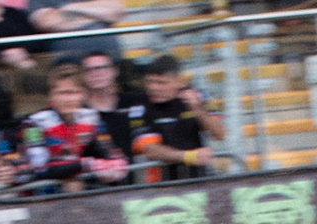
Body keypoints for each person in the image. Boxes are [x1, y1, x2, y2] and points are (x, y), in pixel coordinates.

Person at [21, 64, 127, 193]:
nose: (68, 99)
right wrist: (86, 164)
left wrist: (115, 163)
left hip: (79, 185)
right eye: (62, 93)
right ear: (51, 96)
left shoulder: (91, 117)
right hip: (39, 191)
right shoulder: (33, 123)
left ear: (83, 95)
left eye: (74, 92)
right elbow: (40, 167)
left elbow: (107, 152)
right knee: (73, 181)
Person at [132, 54, 223, 181]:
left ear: (179, 81)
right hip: (161, 185)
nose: (154, 88)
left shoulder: (198, 96)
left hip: (197, 179)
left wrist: (197, 108)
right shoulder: (140, 106)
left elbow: (219, 134)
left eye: (161, 83)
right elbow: (150, 150)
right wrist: (188, 156)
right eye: (150, 82)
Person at [78, 49, 143, 179]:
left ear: (114, 71)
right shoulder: (79, 111)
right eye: (89, 70)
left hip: (138, 179)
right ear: (83, 76)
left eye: (101, 68)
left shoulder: (134, 102)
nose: (96, 73)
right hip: (98, 185)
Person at [26, 0, 121, 60]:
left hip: (109, 60)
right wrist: (95, 13)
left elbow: (115, 12)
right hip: (69, 66)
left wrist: (69, 9)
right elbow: (47, 22)